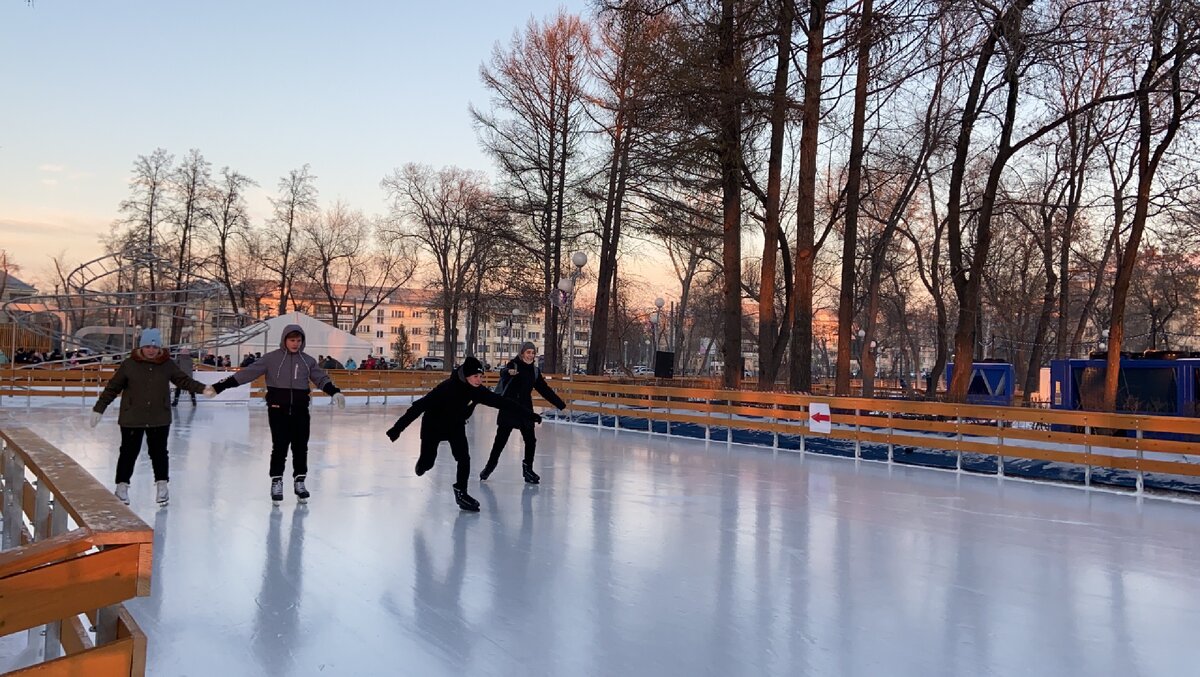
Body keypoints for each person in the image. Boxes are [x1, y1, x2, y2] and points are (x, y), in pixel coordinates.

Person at [385, 356, 541, 512]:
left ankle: (461, 492)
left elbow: (503, 403)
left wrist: (529, 415)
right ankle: (423, 463)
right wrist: (397, 429)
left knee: (464, 458)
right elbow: (418, 407)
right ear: (466, 375)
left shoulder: (478, 391)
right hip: (433, 426)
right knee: (428, 463)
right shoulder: (446, 388)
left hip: (455, 426)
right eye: (475, 377)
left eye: (481, 376)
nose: (479, 380)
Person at [211, 325, 346, 505]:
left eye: (298, 340)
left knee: (300, 447)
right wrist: (220, 386)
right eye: (292, 340)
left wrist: (334, 392)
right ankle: (276, 481)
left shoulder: (307, 361)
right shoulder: (271, 359)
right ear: (284, 340)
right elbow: (247, 374)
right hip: (277, 409)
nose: (295, 344)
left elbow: (320, 378)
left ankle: (300, 481)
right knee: (280, 447)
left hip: (300, 409)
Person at [90, 328, 215, 506]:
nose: (151, 350)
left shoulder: (167, 364)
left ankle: (162, 485)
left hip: (159, 416)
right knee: (128, 452)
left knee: (159, 453)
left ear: (159, 348)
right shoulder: (129, 364)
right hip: (132, 416)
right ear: (142, 347)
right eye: (148, 346)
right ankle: (122, 486)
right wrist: (99, 408)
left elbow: (183, 380)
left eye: (154, 347)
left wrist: (203, 388)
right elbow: (113, 388)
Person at [481, 342, 566, 484]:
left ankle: (528, 469)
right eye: (528, 352)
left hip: (525, 409)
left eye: (533, 353)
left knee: (531, 440)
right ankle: (489, 466)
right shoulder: (513, 365)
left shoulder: (534, 371)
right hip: (509, 407)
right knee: (500, 441)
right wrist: (508, 373)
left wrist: (560, 405)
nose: (531, 355)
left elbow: (544, 390)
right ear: (522, 353)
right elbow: (503, 372)